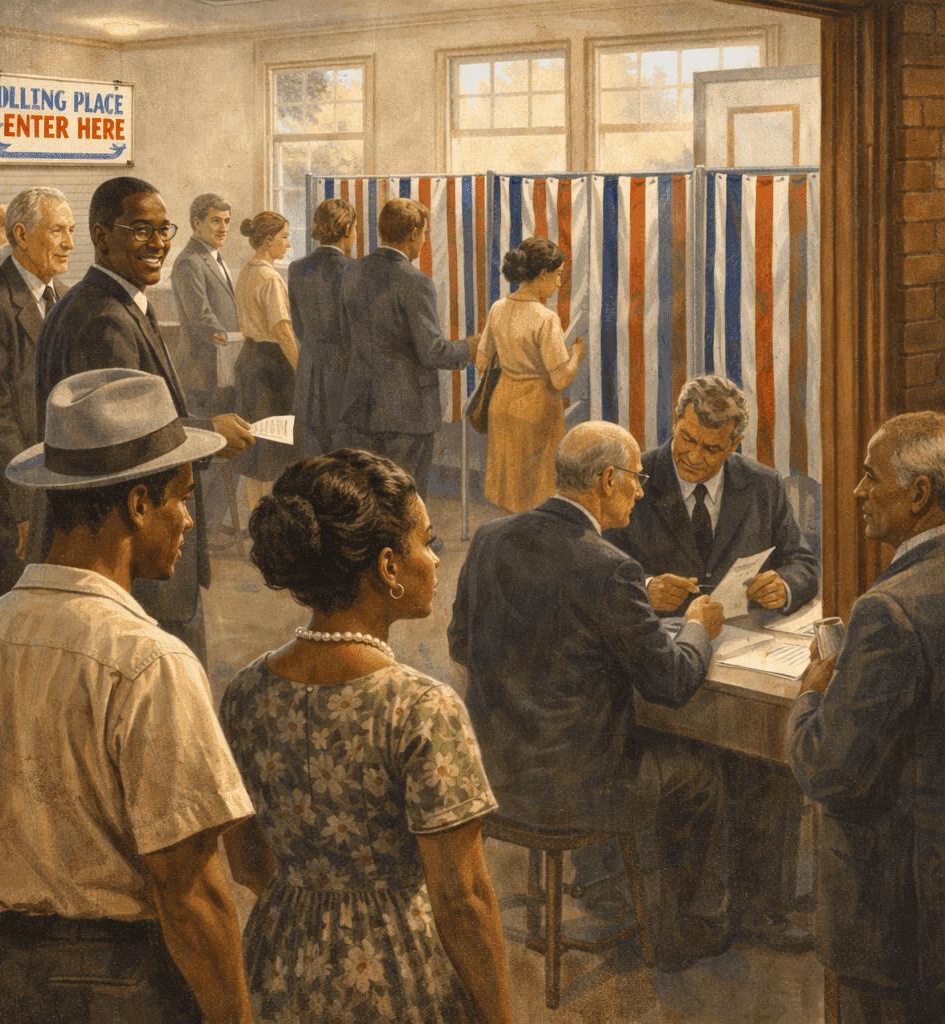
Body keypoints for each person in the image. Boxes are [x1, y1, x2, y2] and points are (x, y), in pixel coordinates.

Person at [0, 368, 257, 1024]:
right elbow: (188, 889)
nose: (187, 521)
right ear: (137, 505)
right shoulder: (147, 662)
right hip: (120, 987)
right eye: (179, 498)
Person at [220, 448, 513, 1024]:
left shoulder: (244, 693)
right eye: (426, 542)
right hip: (396, 975)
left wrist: (314, 909)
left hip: (279, 965)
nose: (433, 559)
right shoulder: (421, 708)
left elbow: (247, 858)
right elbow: (461, 900)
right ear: (387, 567)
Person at [447, 421, 732, 971]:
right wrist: (698, 625)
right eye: (635, 480)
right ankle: (684, 932)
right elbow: (670, 682)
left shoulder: (490, 539)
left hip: (496, 776)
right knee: (703, 770)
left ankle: (610, 892)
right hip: (579, 794)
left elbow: (462, 642)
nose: (642, 490)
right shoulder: (610, 567)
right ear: (606, 481)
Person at [597, 373, 820, 952]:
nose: (694, 457)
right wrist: (645, 586)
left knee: (774, 758)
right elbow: (597, 569)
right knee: (697, 762)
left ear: (735, 445)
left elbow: (803, 560)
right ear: (675, 424)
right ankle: (691, 913)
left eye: (711, 448)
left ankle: (761, 911)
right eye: (686, 440)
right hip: (659, 665)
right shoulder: (633, 476)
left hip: (743, 654)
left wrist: (785, 586)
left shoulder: (764, 486)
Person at [787, 411, 945, 1023]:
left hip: (899, 919)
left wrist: (813, 693)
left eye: (871, 477)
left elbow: (827, 772)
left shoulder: (889, 611)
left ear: (920, 493)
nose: (857, 492)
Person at [36, 176, 255, 665]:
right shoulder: (105, 319)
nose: (158, 244)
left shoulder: (100, 303)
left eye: (163, 230)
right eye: (140, 230)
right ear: (101, 236)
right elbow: (125, 448)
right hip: (135, 556)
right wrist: (208, 434)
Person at [337, 197, 480, 496]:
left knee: (370, 493)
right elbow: (432, 352)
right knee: (403, 495)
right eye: (425, 233)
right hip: (407, 412)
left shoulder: (351, 271)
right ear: (413, 233)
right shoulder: (416, 281)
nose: (424, 241)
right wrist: (469, 347)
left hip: (360, 407)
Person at [0, 186, 75, 605]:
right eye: (57, 231)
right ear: (20, 234)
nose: (70, 243)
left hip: (58, 493)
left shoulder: (63, 297)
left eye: (71, 230)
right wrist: (22, 510)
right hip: (14, 504)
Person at [473, 237, 586, 515]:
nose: (560, 282)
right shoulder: (546, 318)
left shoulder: (498, 308)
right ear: (543, 274)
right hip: (536, 411)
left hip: (502, 407)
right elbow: (560, 380)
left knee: (509, 492)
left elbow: (480, 360)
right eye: (558, 275)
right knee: (538, 493)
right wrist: (576, 356)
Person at [231, 210, 299, 505]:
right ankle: (269, 518)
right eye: (284, 237)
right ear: (268, 240)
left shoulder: (246, 271)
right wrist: (301, 370)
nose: (287, 244)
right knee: (272, 444)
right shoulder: (270, 278)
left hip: (249, 359)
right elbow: (283, 332)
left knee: (253, 444)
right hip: (271, 366)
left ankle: (252, 518)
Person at [289, 197, 356, 459]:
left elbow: (299, 327)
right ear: (348, 230)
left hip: (308, 378)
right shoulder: (355, 269)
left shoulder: (297, 268)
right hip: (345, 379)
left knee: (313, 462)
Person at [171, 192, 243, 416]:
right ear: (196, 223)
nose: (223, 228)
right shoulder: (189, 262)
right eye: (216, 221)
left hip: (221, 367)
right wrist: (241, 339)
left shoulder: (215, 257)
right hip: (201, 373)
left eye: (227, 221)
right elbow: (202, 318)